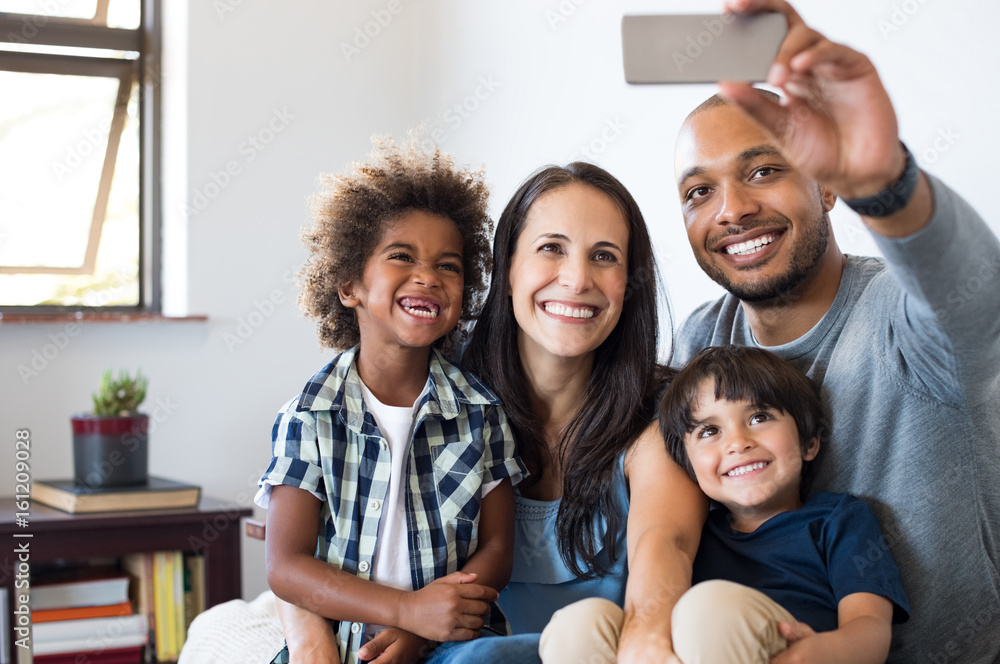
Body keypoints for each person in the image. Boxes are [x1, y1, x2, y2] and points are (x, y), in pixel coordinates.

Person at [671, 1, 1000, 662]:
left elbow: (977, 301)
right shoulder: (700, 341)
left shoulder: (897, 312)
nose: (732, 210)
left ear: (825, 187)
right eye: (698, 191)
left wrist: (882, 183)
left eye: (763, 170)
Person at [279, 161, 707, 664]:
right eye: (552, 248)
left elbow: (668, 544)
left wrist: (650, 640)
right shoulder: (433, 390)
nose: (576, 279)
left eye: (605, 256)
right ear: (505, 272)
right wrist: (313, 638)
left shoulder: (661, 418)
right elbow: (305, 540)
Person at [255, 138, 526, 664]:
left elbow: (497, 551)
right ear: (350, 284)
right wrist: (405, 611)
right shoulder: (308, 417)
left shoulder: (482, 414)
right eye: (402, 256)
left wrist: (426, 627)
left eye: (449, 265)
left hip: (449, 640)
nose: (428, 275)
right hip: (340, 646)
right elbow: (285, 566)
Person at [539, 345, 910, 664]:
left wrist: (822, 651)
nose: (737, 442)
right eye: (710, 431)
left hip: (791, 648)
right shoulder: (696, 536)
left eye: (760, 417)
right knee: (580, 624)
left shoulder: (838, 518)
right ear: (688, 466)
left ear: (809, 442)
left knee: (707, 609)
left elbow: (870, 628)